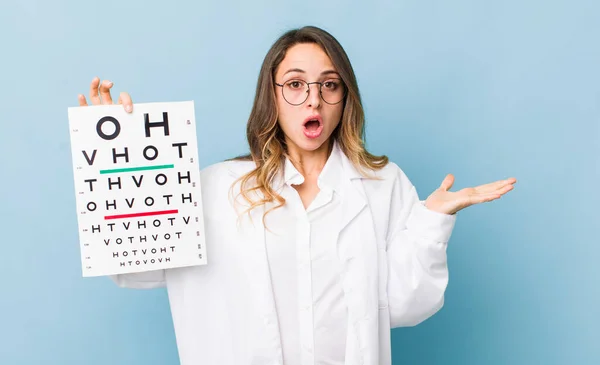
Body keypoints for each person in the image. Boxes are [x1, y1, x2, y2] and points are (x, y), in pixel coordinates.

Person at [77, 25, 516, 365]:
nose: (314, 99)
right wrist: (122, 155)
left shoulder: (383, 185)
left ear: (345, 97)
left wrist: (430, 222)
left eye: (329, 84)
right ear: (272, 94)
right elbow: (136, 267)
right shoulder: (215, 188)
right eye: (295, 83)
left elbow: (406, 304)